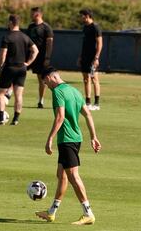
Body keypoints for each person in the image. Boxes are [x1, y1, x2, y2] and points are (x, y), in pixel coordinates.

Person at [35, 67, 101, 225]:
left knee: (73, 176)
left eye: (45, 82)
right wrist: (93, 137)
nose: (46, 85)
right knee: (62, 175)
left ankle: (88, 213)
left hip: (66, 139)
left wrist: (50, 138)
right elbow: (88, 114)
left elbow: (60, 117)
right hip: (76, 138)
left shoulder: (58, 92)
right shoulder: (74, 91)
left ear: (51, 78)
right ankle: (51, 212)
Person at [0, 14, 38, 125]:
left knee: (0, 93)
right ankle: (16, 119)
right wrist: (27, 63)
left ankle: (1, 118)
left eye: (8, 22)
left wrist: (0, 68)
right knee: (18, 95)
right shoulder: (25, 36)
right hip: (22, 68)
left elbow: (3, 54)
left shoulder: (7, 37)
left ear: (11, 23)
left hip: (10, 68)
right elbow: (35, 50)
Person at [26, 7, 53, 108]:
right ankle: (9, 93)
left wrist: (47, 58)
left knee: (42, 79)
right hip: (30, 56)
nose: (30, 15)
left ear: (37, 14)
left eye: (32, 14)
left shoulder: (46, 28)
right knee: (20, 71)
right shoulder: (30, 27)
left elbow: (49, 44)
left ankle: (41, 101)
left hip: (41, 58)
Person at [78, 8, 102, 111]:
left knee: (94, 79)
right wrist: (80, 56)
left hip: (93, 58)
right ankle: (88, 102)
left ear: (87, 16)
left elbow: (100, 43)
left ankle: (96, 104)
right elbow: (84, 44)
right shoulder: (85, 27)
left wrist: (96, 58)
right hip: (85, 57)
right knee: (85, 79)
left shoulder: (95, 27)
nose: (81, 17)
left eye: (82, 15)